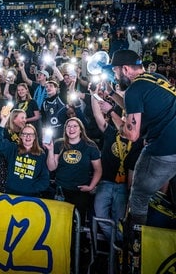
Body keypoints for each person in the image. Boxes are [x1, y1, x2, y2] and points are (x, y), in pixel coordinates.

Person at [107, 49, 176, 226]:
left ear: (125, 69)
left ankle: (136, 239)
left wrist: (110, 113)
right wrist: (112, 95)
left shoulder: (134, 90)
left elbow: (132, 134)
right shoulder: (157, 78)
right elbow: (138, 109)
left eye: (115, 71)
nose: (115, 76)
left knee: (138, 193)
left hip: (166, 146)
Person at [90, 88, 143, 242]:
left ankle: (118, 252)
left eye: (127, 120)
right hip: (105, 183)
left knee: (119, 220)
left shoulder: (137, 142)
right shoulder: (110, 133)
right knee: (100, 216)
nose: (125, 121)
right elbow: (97, 116)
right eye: (124, 118)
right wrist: (94, 95)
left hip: (122, 187)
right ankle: (116, 244)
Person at [45, 117, 102, 223]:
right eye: (69, 126)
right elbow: (51, 167)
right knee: (59, 222)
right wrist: (50, 150)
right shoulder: (59, 144)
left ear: (81, 129)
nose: (71, 129)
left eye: (75, 126)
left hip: (80, 192)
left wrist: (91, 187)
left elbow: (98, 169)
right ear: (65, 129)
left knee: (78, 223)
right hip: (61, 190)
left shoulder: (90, 146)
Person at [0, 106, 49, 197]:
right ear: (21, 136)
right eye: (25, 134)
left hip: (31, 196)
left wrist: (33, 189)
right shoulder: (12, 148)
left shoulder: (40, 154)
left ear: (35, 137)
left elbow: (45, 179)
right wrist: (4, 120)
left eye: (31, 134)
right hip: (11, 193)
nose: (28, 137)